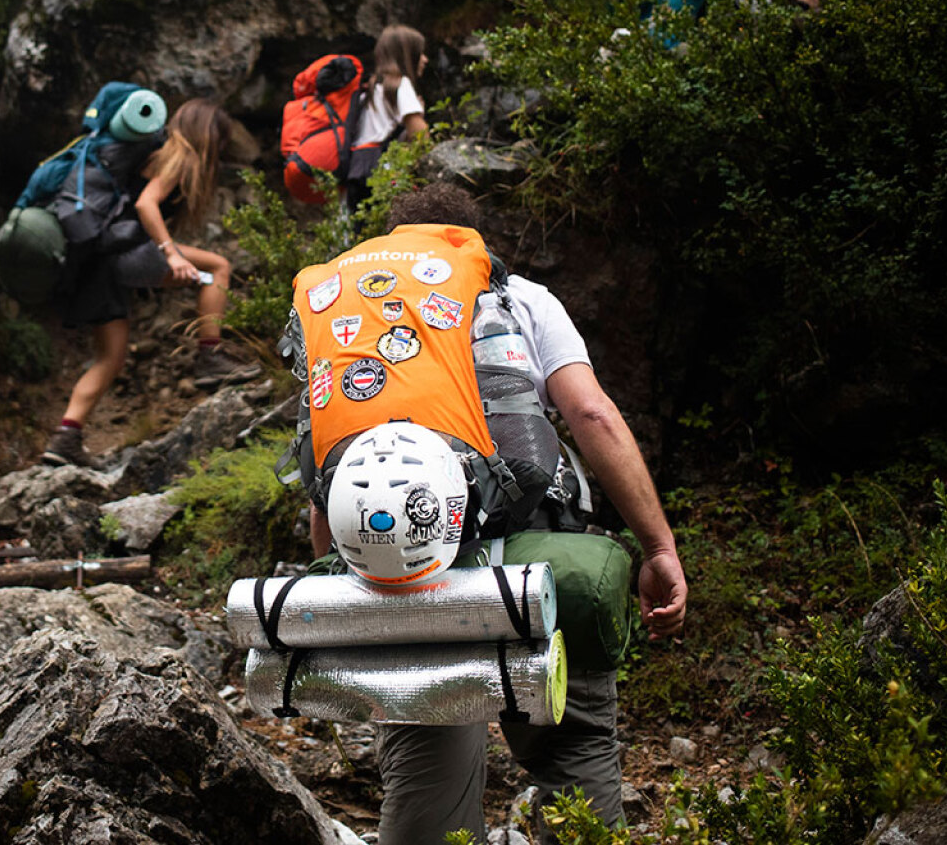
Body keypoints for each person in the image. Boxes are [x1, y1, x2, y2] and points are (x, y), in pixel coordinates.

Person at [285, 183, 687, 844]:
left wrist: (343, 584)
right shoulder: (519, 296)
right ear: (469, 240)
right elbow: (590, 414)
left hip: (404, 576)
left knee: (425, 795)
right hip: (535, 557)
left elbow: (329, 466)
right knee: (574, 759)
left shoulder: (339, 310)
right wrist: (659, 547)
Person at [43, 98, 259, 468]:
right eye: (220, 141)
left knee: (109, 358)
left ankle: (65, 438)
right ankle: (210, 355)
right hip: (130, 254)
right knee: (217, 269)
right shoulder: (179, 156)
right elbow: (147, 204)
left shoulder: (155, 152)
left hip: (101, 264)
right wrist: (171, 254)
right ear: (207, 134)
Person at [356, 23, 430, 147]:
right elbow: (420, 136)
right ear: (406, 56)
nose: (425, 59)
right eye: (419, 53)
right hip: (379, 162)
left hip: (361, 160)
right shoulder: (401, 84)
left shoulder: (373, 86)